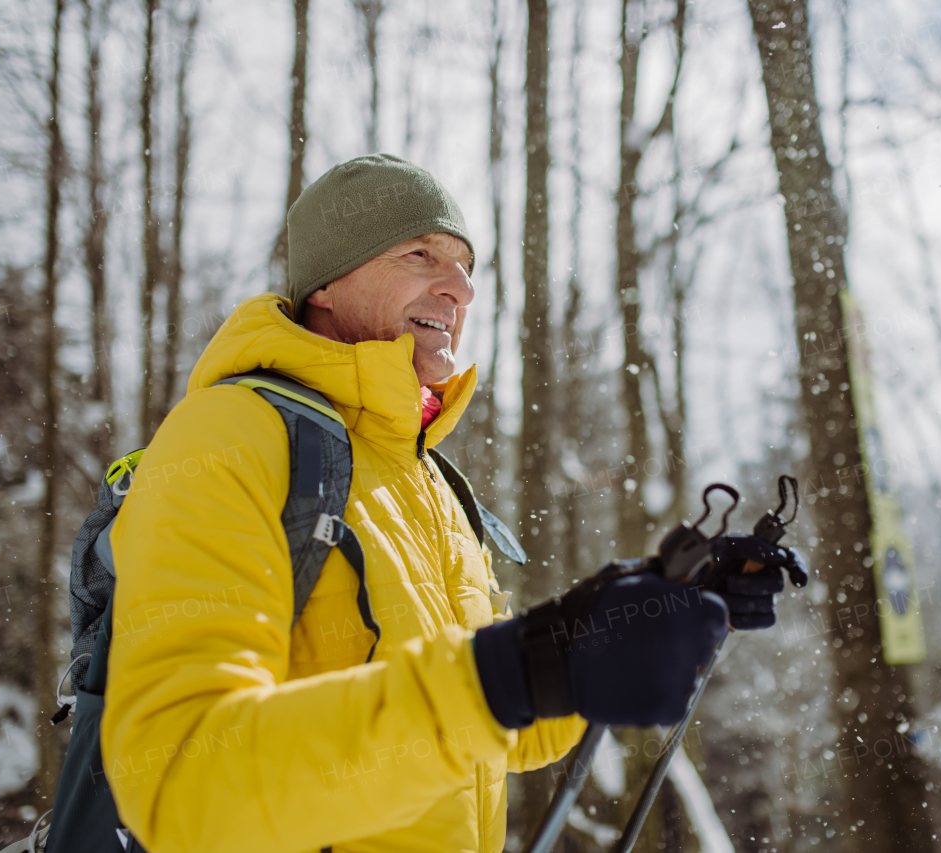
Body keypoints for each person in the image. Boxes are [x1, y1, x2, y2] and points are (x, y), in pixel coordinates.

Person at [100, 154, 750, 853]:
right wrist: (505, 678)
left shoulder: (429, 481)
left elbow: (491, 728)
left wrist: (608, 631)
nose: (461, 289)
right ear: (324, 281)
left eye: (467, 267)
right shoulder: (230, 435)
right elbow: (179, 779)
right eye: (421, 253)